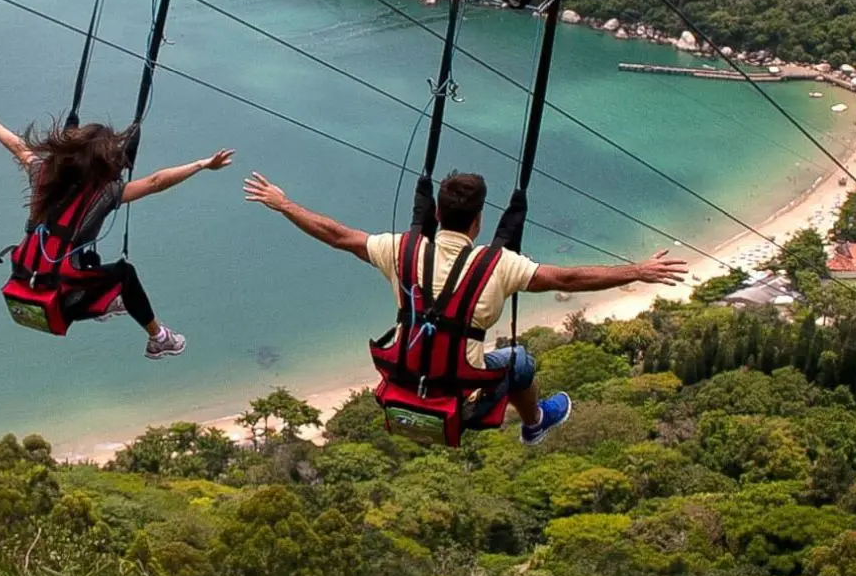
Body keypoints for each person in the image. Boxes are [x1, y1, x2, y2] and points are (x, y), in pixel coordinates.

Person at [243, 169, 688, 445]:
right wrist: (636, 271)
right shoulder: (498, 266)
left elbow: (337, 235)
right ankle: (534, 422)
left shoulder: (402, 251)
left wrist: (284, 205)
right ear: (477, 222)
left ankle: (532, 419)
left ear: (436, 216)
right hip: (462, 392)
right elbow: (568, 279)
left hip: (404, 376)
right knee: (519, 359)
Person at [0, 102, 233, 358]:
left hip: (25, 282)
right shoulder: (104, 194)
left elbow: (18, 147)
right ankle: (159, 338)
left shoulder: (43, 175)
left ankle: (108, 300)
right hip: (65, 300)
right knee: (125, 273)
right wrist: (202, 165)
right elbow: (156, 182)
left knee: (88, 266)